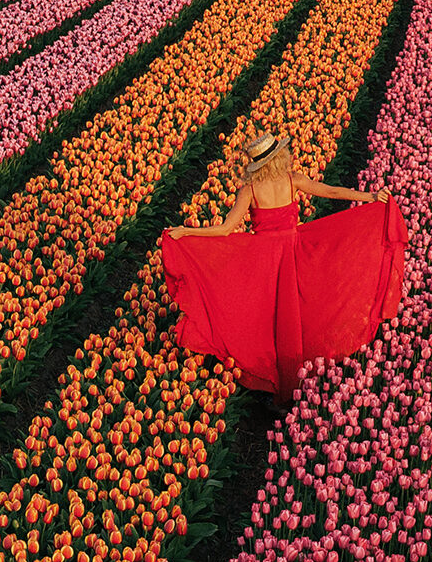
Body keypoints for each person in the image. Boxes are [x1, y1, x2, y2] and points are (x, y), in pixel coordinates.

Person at [161, 129, 406, 402]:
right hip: (294, 254)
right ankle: (295, 381)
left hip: (263, 261)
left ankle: (275, 381)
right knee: (297, 316)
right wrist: (370, 198)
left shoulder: (250, 190)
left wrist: (187, 232)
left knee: (263, 320)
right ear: (280, 158)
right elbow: (331, 191)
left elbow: (225, 229)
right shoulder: (293, 181)